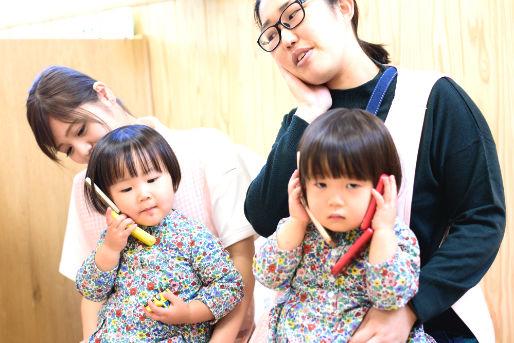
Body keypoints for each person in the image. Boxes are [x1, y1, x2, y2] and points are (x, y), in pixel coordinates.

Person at [245, 0, 506, 342]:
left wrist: (409, 308)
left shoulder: (432, 98)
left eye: (293, 14)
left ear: (343, 6)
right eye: (272, 33)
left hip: (426, 316)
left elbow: (482, 219)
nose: (287, 38)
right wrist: (308, 110)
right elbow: (264, 218)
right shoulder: (304, 123)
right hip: (318, 323)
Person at [26, 66, 262, 342]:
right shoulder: (86, 189)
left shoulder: (206, 148)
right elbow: (93, 292)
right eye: (67, 150)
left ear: (103, 93)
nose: (82, 151)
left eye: (80, 129)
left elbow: (240, 259)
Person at [253, 108, 434, 342]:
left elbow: (391, 298)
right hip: (297, 332)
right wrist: (296, 221)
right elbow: (268, 276)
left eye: (351, 186)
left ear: (381, 186)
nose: (334, 200)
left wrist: (382, 233)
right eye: (320, 184)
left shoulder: (395, 236)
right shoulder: (301, 228)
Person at [76, 124, 244, 341]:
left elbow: (231, 286)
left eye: (152, 180)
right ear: (108, 198)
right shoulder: (115, 238)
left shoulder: (192, 236)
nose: (144, 194)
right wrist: (109, 249)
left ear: (171, 177)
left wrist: (189, 312)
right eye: (127, 189)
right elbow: (91, 290)